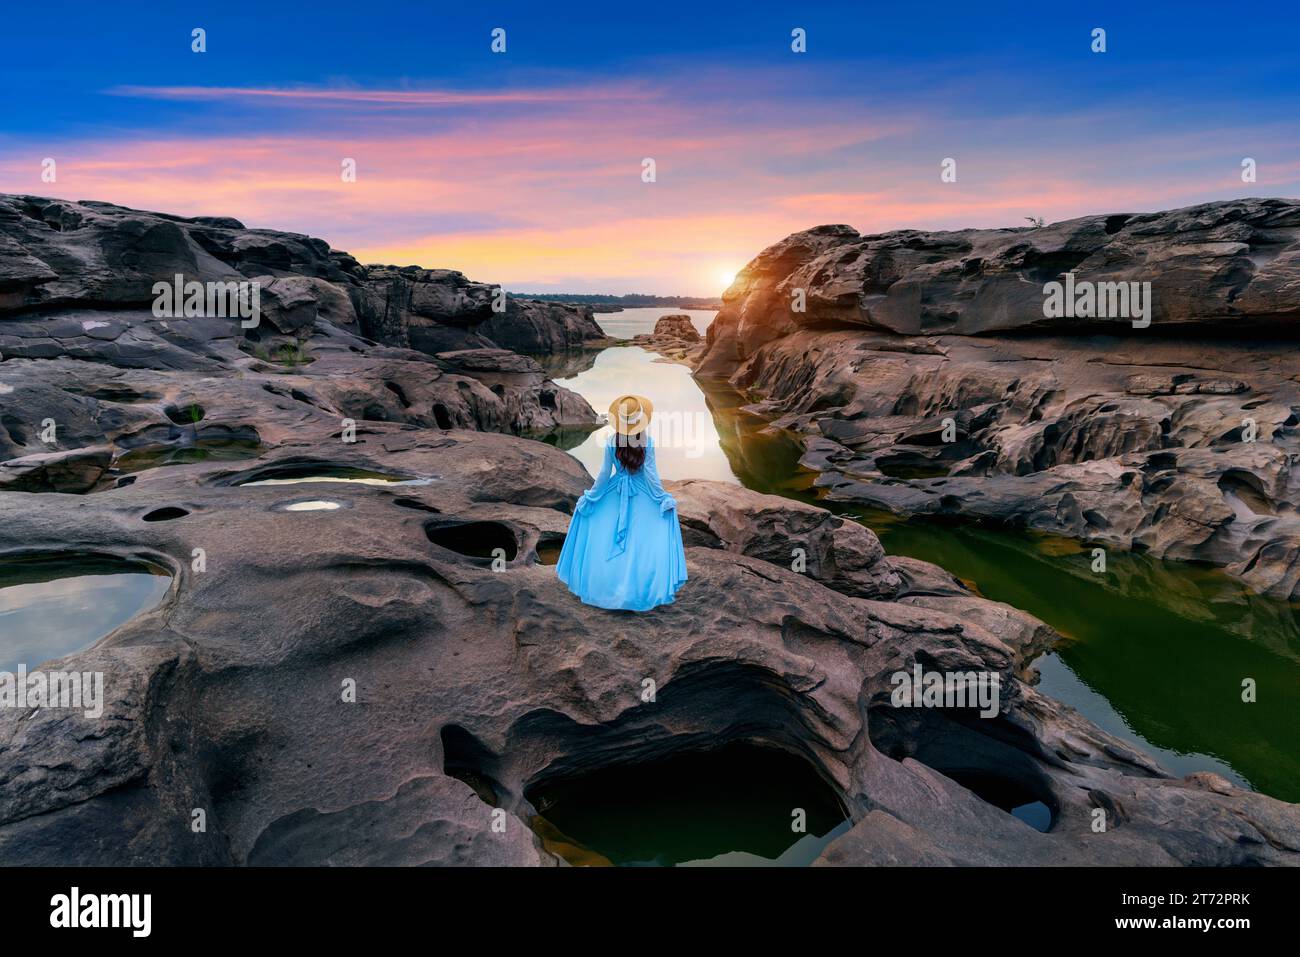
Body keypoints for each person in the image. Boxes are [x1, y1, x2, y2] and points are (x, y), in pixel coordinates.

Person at [556, 394, 688, 611]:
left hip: (615, 491)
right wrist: (662, 498)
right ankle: (634, 591)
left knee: (608, 539)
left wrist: (592, 497)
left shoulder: (611, 441)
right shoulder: (648, 442)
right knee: (639, 543)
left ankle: (609, 589)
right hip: (641, 492)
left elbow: (604, 474)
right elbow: (651, 475)